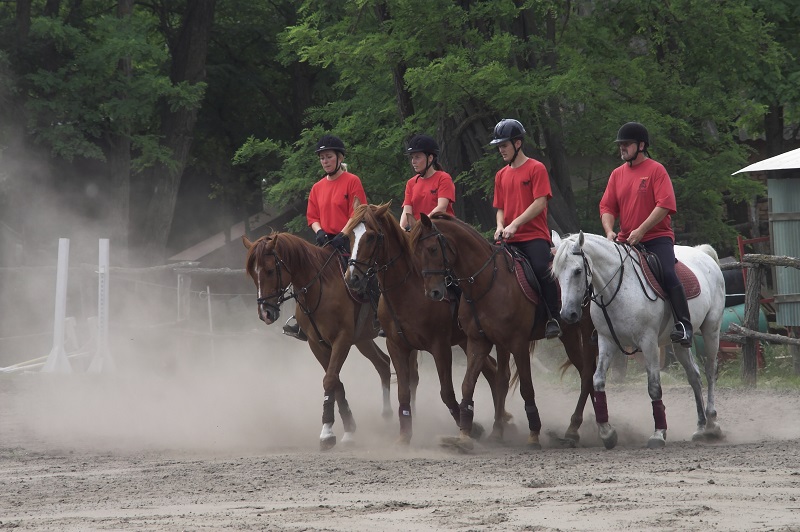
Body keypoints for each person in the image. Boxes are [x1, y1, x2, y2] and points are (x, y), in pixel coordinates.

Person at [599, 121, 692, 346]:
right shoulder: (616, 175)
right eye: (620, 144)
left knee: (669, 273)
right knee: (602, 275)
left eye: (626, 144)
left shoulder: (656, 170)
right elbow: (607, 208)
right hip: (624, 241)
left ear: (641, 145)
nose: (621, 148)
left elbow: (665, 204)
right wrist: (610, 231)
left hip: (656, 238)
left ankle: (684, 324)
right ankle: (603, 327)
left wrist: (641, 230)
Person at [283, 134, 368, 340]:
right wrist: (319, 231)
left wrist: (343, 233)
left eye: (328, 157)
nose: (325, 161)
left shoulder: (352, 181)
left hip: (348, 238)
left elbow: (359, 211)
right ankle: (301, 320)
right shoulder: (317, 187)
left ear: (339, 158)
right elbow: (312, 216)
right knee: (302, 274)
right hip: (325, 240)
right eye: (322, 158)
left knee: (362, 272)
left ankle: (374, 313)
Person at [491, 119, 561, 339]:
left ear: (518, 143)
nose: (500, 149)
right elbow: (499, 208)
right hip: (508, 237)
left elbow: (540, 202)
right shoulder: (501, 175)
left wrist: (515, 224)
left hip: (533, 236)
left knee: (542, 268)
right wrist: (500, 225)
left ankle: (553, 317)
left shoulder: (536, 168)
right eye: (499, 146)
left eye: (504, 145)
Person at [400, 134, 456, 230]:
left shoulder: (443, 178)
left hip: (442, 229)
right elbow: (407, 212)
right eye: (412, 157)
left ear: (430, 158)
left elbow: (441, 208)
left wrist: (420, 225)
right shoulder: (411, 183)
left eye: (417, 157)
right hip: (419, 232)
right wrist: (401, 229)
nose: (413, 161)